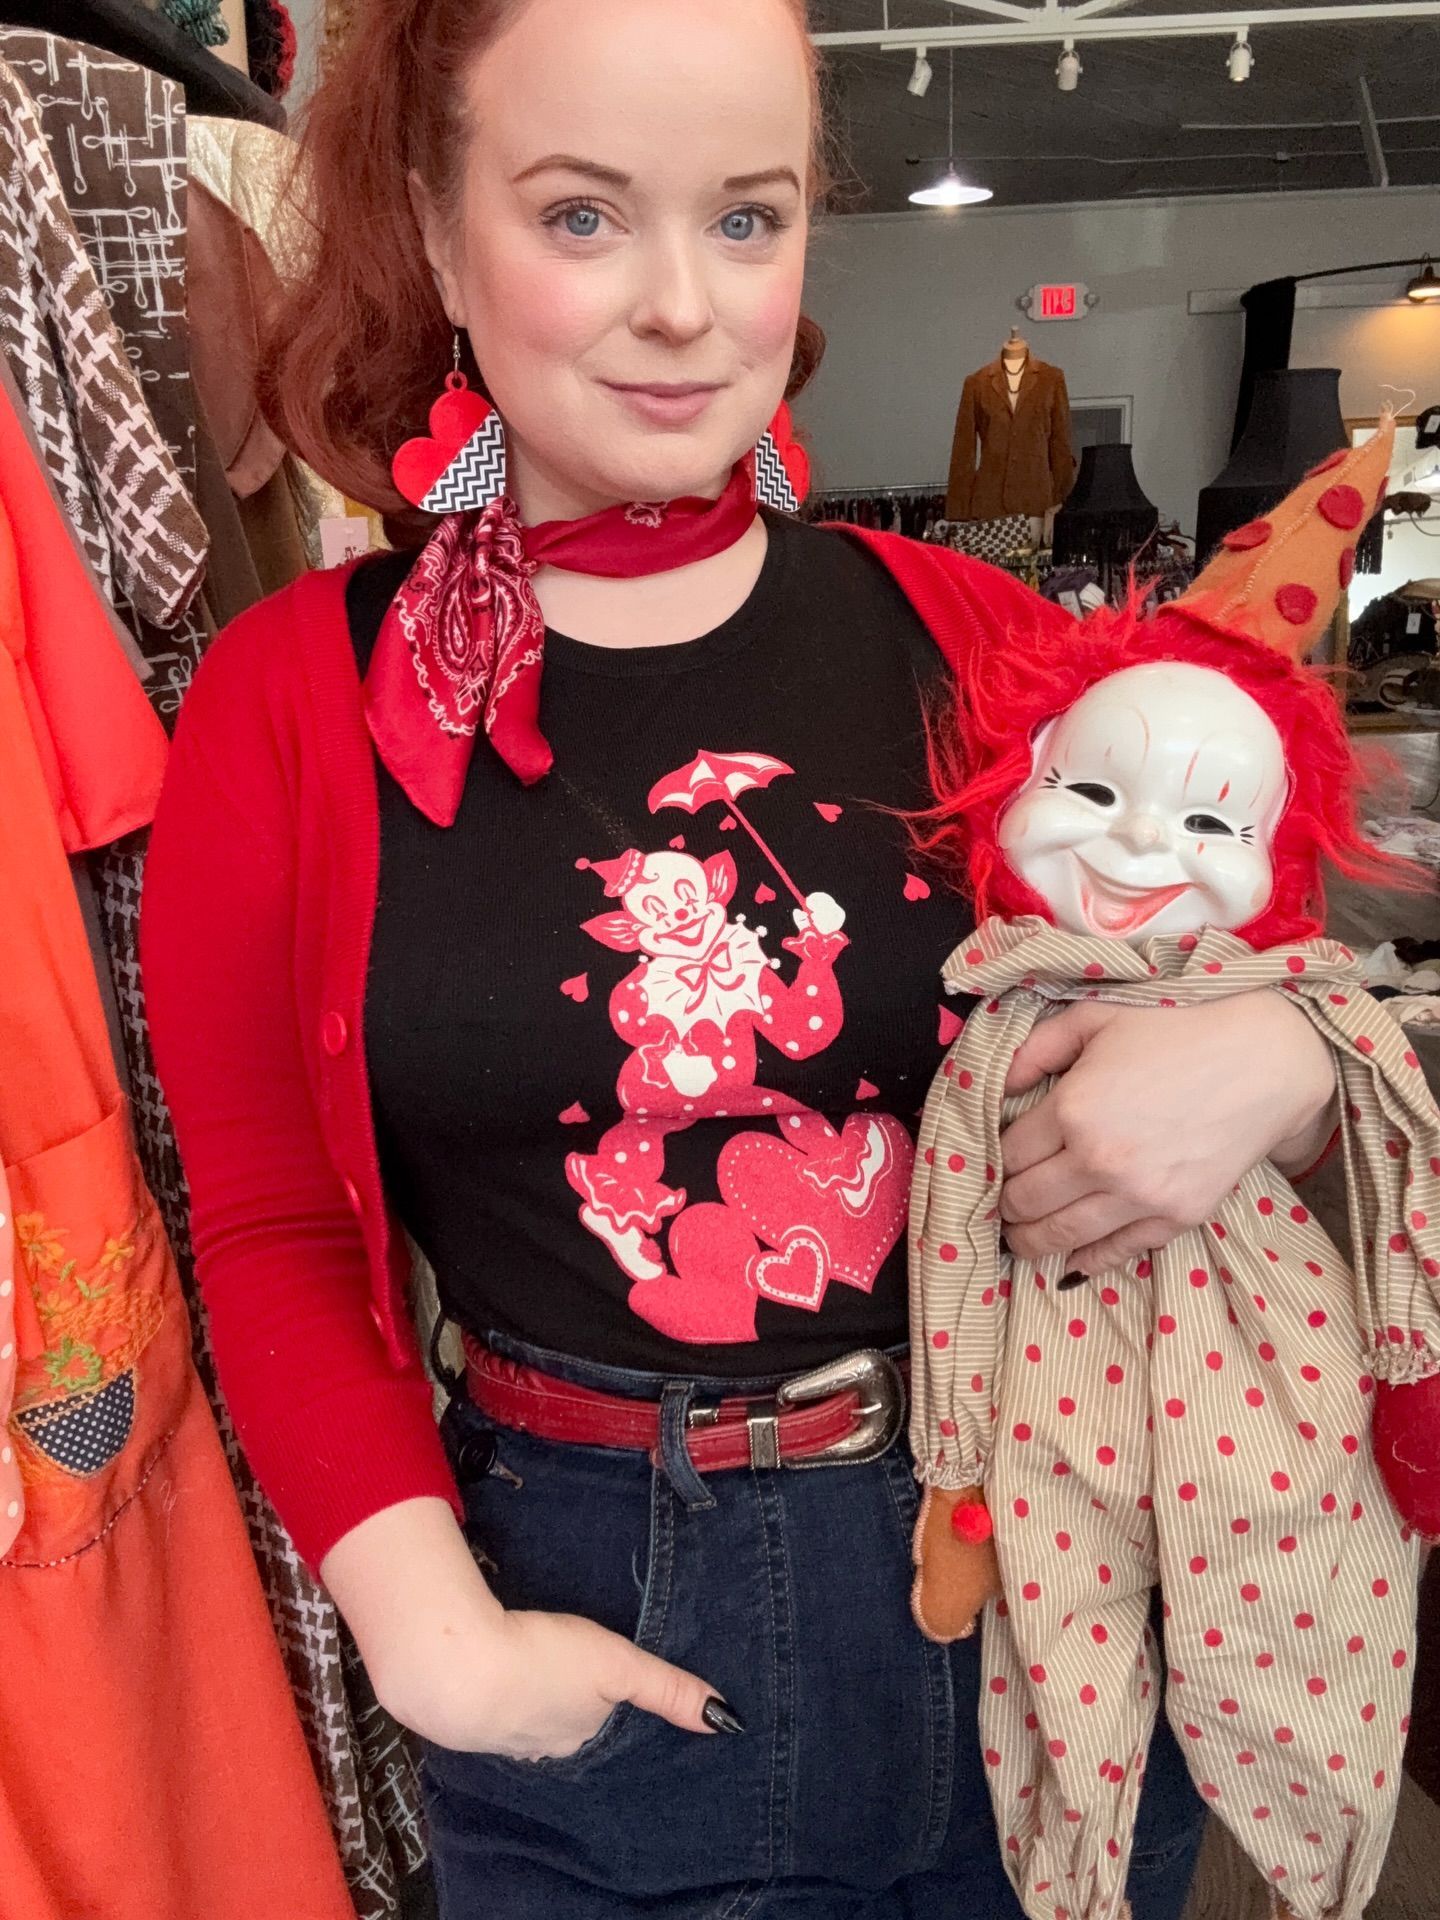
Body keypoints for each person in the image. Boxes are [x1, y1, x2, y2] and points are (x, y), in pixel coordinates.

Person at [140, 2, 1341, 1913]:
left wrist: (1283, 1069)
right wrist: (436, 1642)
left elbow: (1258, 970)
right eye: (585, 217)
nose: (687, 308)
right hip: (592, 1599)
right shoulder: (296, 699)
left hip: (1042, 1556)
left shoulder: (978, 646)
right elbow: (269, 1219)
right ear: (441, 239)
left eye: (750, 218)